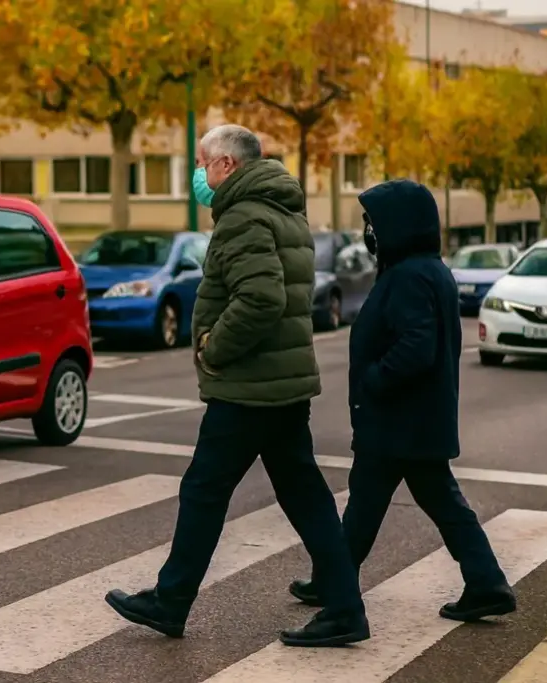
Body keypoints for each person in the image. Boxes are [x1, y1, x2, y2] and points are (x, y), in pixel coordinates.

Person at [104, 124, 369, 647]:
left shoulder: (244, 216)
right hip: (281, 385)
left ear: (227, 165)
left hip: (250, 386)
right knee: (305, 496)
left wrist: (212, 347)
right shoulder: (282, 208)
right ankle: (344, 608)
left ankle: (171, 600)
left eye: (203, 164)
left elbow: (262, 299)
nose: (200, 175)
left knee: (204, 490)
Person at [288, 179, 516, 621]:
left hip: (400, 422)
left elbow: (417, 344)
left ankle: (338, 590)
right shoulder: (423, 269)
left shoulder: (410, 276)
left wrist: (375, 379)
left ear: (400, 225)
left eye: (373, 222)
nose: (369, 231)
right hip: (414, 422)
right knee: (387, 506)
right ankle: (484, 582)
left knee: (379, 503)